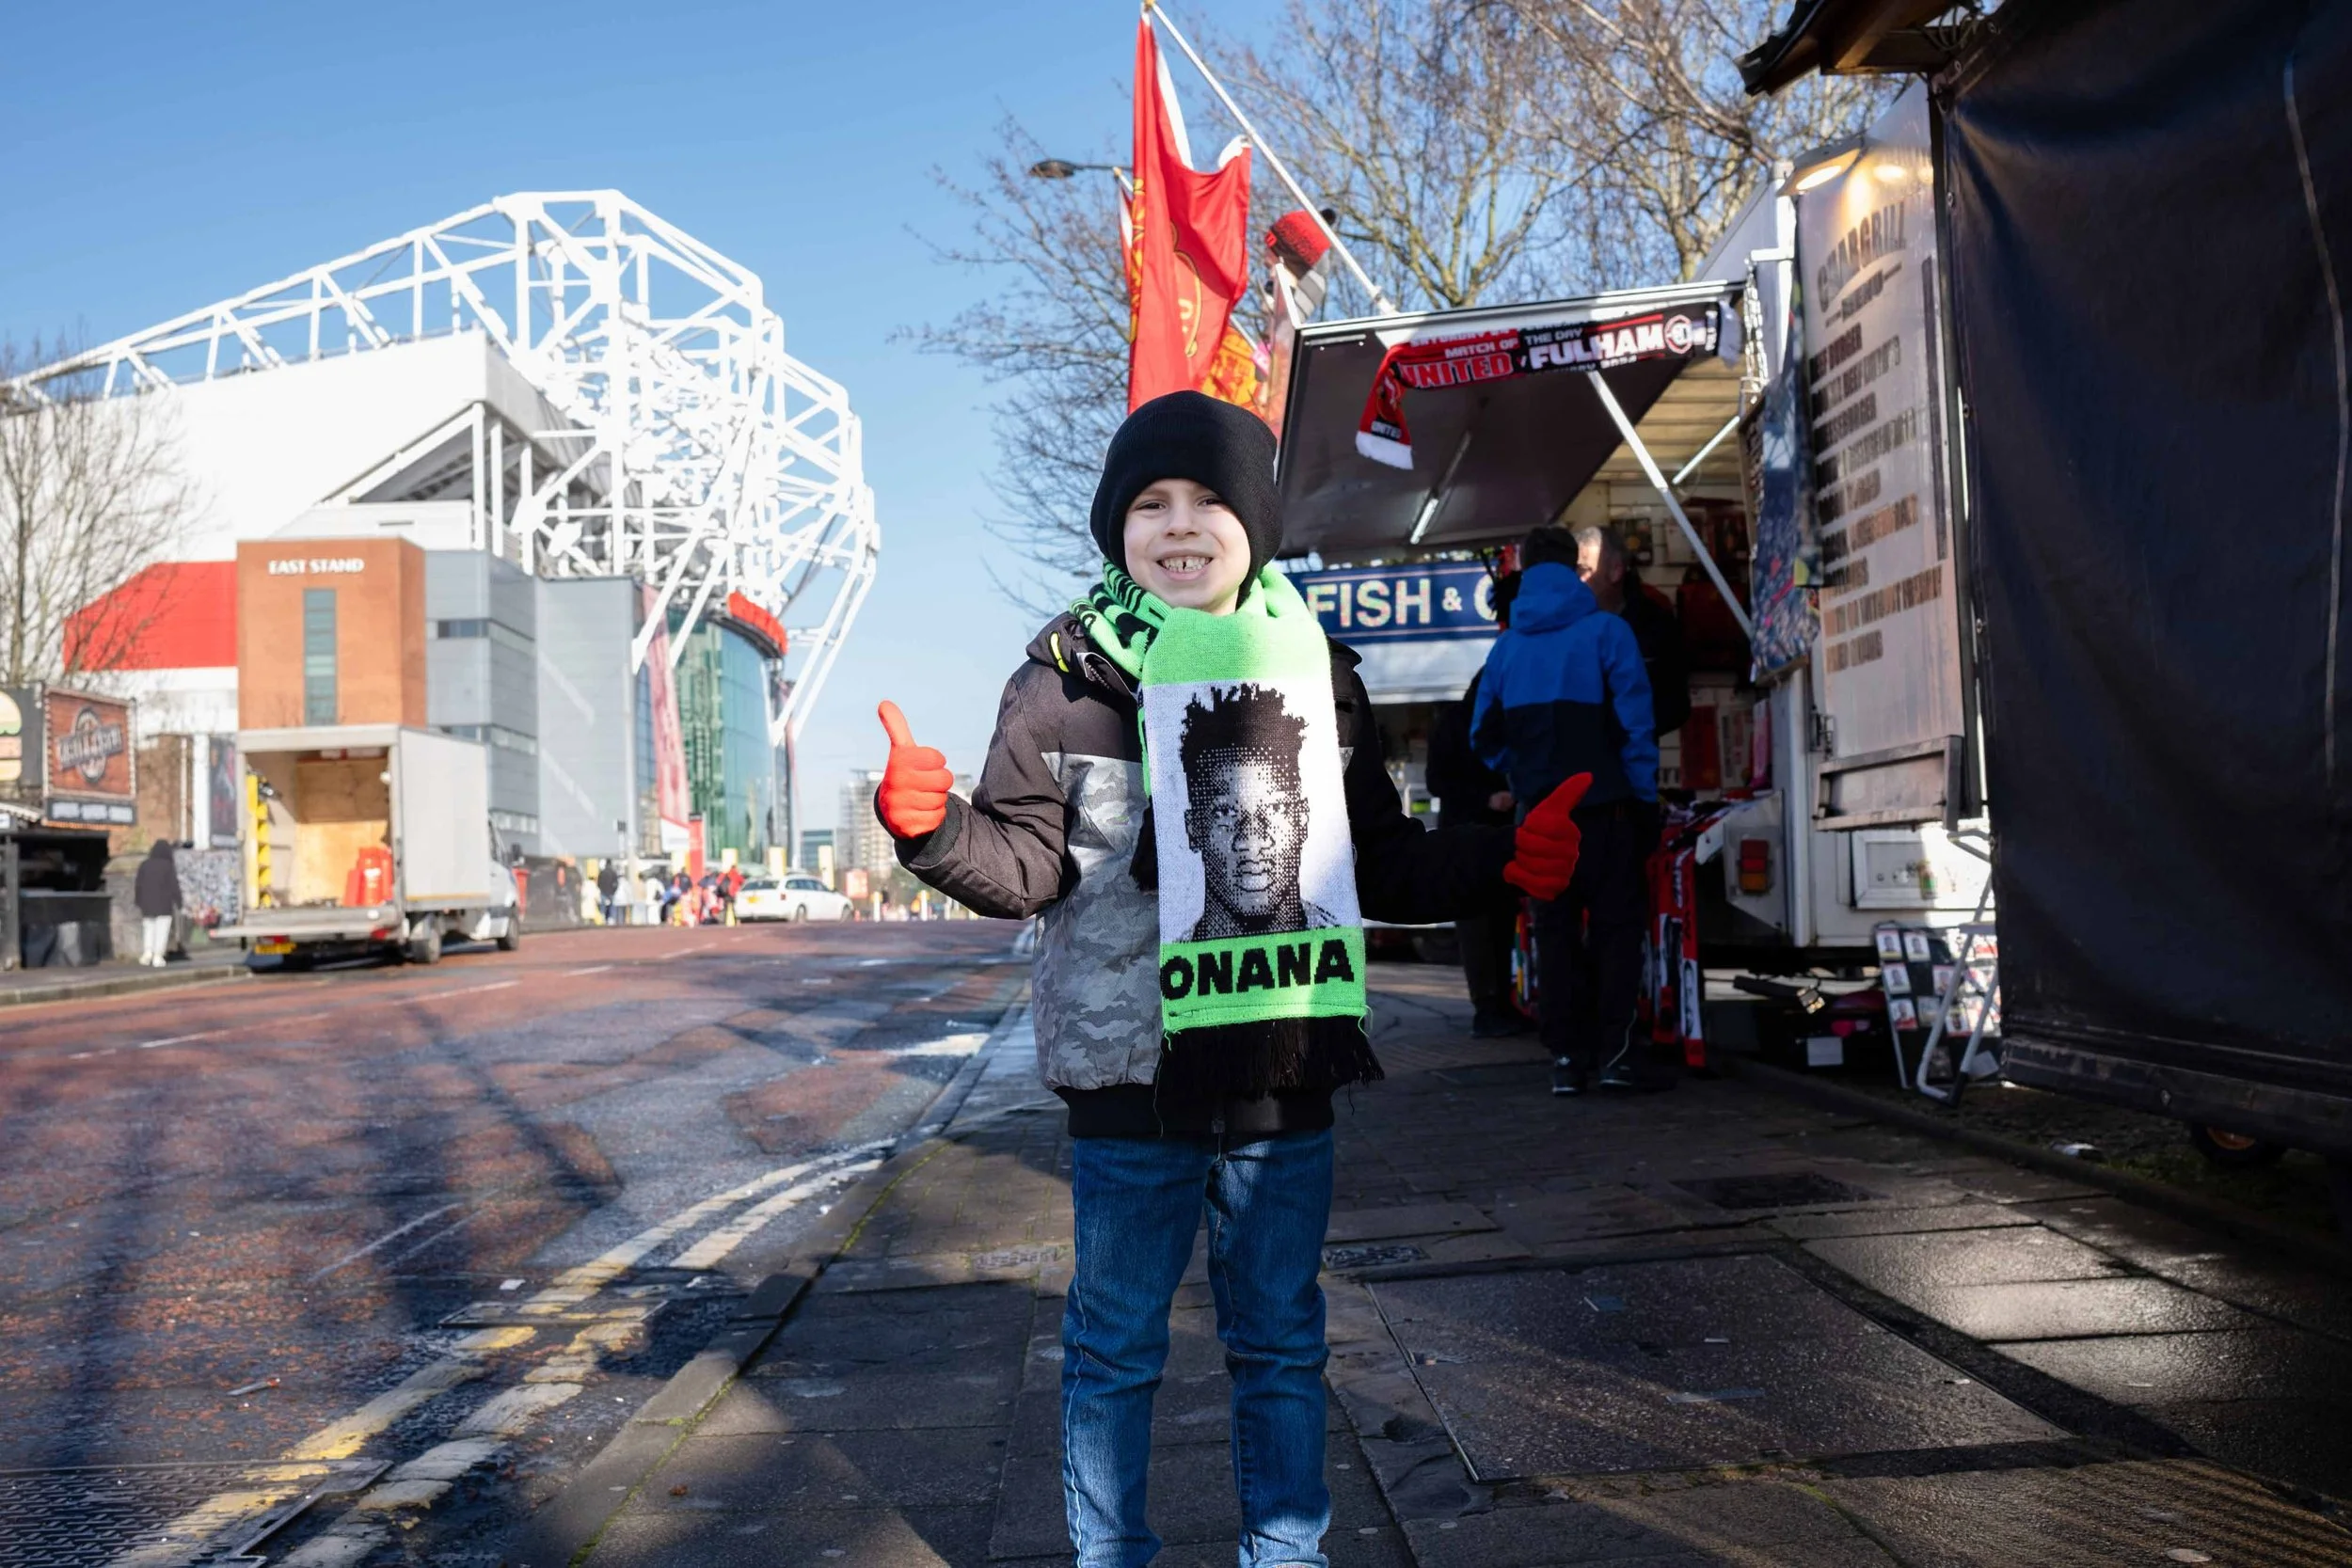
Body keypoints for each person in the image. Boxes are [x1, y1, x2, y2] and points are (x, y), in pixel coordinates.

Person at [868, 390, 1584, 1568]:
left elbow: (1374, 857)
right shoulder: (1059, 683)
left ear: (1255, 522)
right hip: (1126, 1077)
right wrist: (931, 827)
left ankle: (1284, 1554)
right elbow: (1028, 866)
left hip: (1282, 1060)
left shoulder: (1317, 672)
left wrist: (1501, 862)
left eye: (1209, 500)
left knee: (1281, 1343)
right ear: (1115, 528)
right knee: (1113, 1346)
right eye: (1150, 503)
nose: (1180, 524)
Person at [1476, 527, 1659, 1097]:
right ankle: (1617, 1059)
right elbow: (1637, 726)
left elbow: (1483, 736)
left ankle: (1565, 1062)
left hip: (1539, 817)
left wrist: (1526, 774)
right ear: (1576, 568)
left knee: (1552, 937)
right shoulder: (1609, 631)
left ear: (1525, 570)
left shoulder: (1506, 648)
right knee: (1615, 934)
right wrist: (1644, 796)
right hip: (1607, 811)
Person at [1425, 665, 1525, 1037]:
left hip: (1483, 835)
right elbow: (1439, 780)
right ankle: (1488, 1007)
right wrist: (1488, 797)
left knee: (1495, 920)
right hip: (1471, 836)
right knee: (1481, 924)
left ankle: (1498, 1004)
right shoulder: (1460, 724)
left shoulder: (1466, 720)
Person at [1572, 523, 1690, 737]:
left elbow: (1676, 705)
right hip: (1580, 763)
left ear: (1615, 571)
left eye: (1584, 570)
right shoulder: (1567, 626)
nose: (1577, 580)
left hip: (1633, 763)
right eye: (1575, 570)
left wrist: (1628, 729)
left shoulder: (1655, 622)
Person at [134, 838, 181, 968]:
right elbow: (174, 886)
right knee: (162, 930)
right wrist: (179, 902)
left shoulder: (144, 865)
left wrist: (138, 901)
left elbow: (138, 885)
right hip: (164, 904)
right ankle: (158, 956)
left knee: (148, 928)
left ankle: (147, 953)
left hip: (147, 904)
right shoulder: (168, 866)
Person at [596, 860, 623, 926]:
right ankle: (611, 919)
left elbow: (598, 883)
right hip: (611, 892)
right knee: (612, 906)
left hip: (603, 892)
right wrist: (614, 891)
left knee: (603, 907)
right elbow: (616, 883)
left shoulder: (602, 872)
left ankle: (602, 919)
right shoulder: (613, 873)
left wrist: (601, 889)